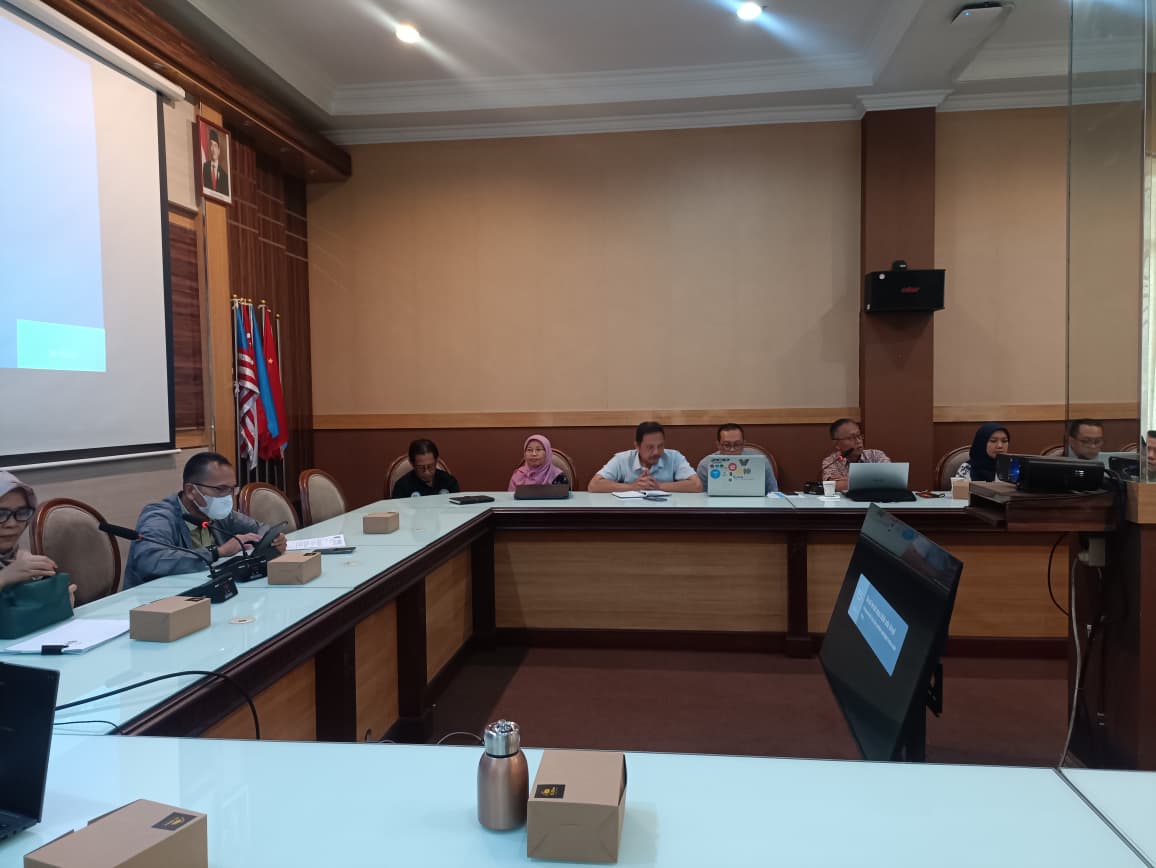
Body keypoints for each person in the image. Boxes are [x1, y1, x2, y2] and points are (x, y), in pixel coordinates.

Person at [123, 451, 286, 588]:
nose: (228, 497)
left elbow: (260, 529)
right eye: (221, 489)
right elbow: (149, 560)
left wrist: (273, 540)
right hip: (156, 601)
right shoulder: (160, 516)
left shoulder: (219, 514)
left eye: (232, 489)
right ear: (191, 491)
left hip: (205, 590)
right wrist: (218, 552)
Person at [588, 421, 702, 493]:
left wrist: (659, 486)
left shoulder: (674, 457)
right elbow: (594, 485)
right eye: (650, 447)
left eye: (660, 446)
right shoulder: (623, 459)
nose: (656, 452)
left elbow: (697, 485)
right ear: (637, 446)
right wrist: (633, 487)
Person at [0, 471, 58, 592]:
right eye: (1, 514)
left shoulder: (21, 560)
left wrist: (56, 599)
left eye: (22, 512)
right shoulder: (14, 569)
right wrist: (4, 577)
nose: (12, 524)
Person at [696, 423, 779, 493]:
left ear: (743, 444)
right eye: (727, 445)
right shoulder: (705, 465)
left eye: (737, 444)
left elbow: (773, 492)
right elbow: (701, 497)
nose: (732, 449)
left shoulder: (761, 462)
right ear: (718, 445)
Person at [821, 418, 891, 492]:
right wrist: (875, 479)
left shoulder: (876, 456)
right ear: (837, 444)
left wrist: (849, 480)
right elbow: (833, 486)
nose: (858, 441)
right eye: (850, 438)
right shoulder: (831, 462)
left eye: (859, 436)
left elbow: (890, 479)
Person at [392, 439, 461, 498]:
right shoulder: (402, 486)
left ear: (436, 461)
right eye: (421, 468)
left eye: (430, 466)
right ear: (412, 463)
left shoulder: (448, 481)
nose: (427, 472)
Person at [202, 129, 229, 195]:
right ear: (209, 147)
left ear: (219, 150)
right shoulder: (204, 167)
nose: (213, 149)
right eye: (211, 145)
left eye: (215, 146)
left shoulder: (225, 176)